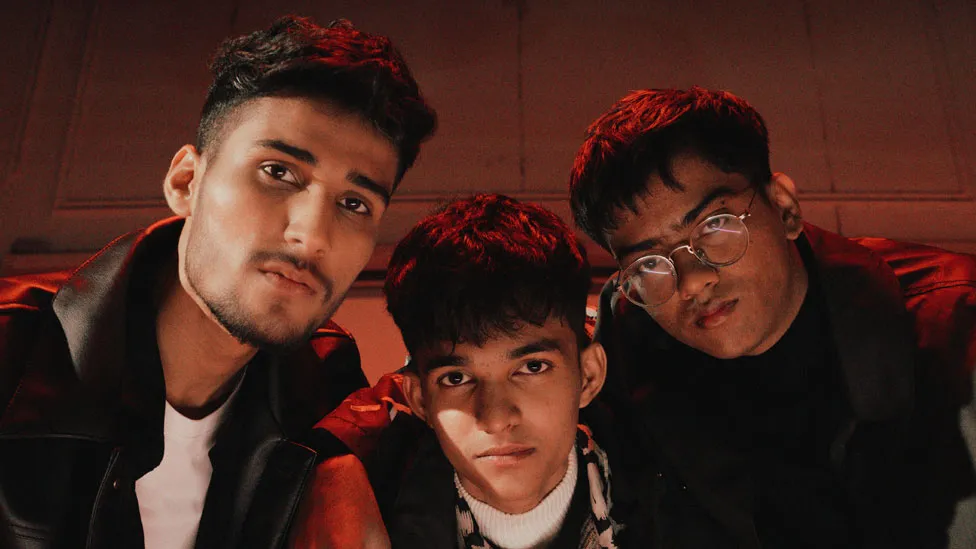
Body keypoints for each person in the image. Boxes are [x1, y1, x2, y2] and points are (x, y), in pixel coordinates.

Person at [0, 15, 435, 548]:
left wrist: (341, 470)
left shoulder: (324, 389)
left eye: (354, 203)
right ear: (186, 181)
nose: (311, 236)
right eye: (278, 172)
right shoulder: (13, 350)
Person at [568, 86, 976, 548]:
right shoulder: (627, 352)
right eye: (648, 263)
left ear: (784, 207)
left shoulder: (956, 327)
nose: (692, 281)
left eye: (715, 226)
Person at [307, 194, 622, 548]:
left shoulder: (661, 483)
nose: (496, 418)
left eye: (532, 367)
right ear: (420, 400)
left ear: (588, 377)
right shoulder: (367, 505)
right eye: (456, 378)